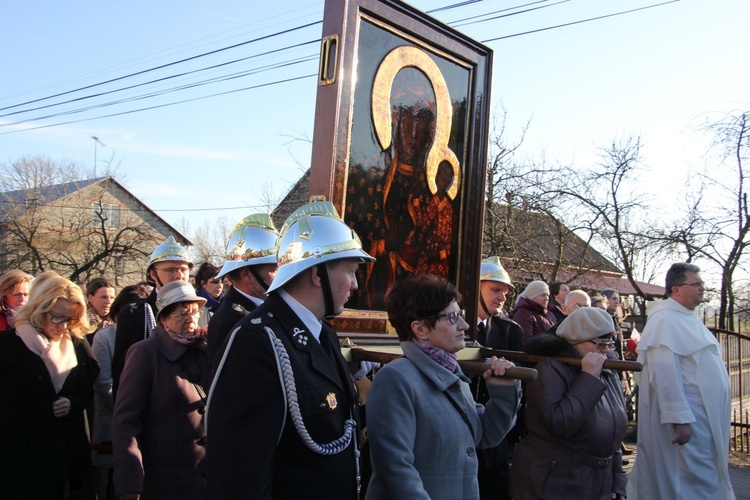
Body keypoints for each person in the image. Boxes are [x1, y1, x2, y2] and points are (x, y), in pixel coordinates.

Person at [206, 200, 374, 499]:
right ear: (317, 274)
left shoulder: (323, 334)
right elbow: (240, 474)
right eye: (349, 271)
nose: (354, 285)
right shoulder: (256, 342)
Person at [365, 273, 520, 499]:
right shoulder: (396, 379)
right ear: (420, 329)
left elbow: (484, 435)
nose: (465, 325)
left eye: (461, 315)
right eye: (453, 317)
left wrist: (504, 392)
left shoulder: (451, 372)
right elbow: (395, 468)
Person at [628, 263, 735, 499]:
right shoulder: (666, 320)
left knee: (704, 478)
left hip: (703, 417)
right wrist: (679, 419)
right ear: (676, 290)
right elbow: (665, 373)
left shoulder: (686, 317)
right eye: (695, 284)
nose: (701, 288)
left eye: (701, 283)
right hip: (689, 420)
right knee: (689, 482)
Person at [509, 307, 628, 499]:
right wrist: (589, 378)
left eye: (609, 343)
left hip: (597, 483)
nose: (605, 349)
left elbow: (612, 439)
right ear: (577, 340)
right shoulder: (550, 368)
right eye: (599, 343)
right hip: (556, 482)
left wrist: (618, 485)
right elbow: (561, 423)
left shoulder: (607, 369)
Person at [0, 276, 99, 498]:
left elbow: (88, 385)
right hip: (20, 456)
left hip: (68, 456)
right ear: (39, 309)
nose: (63, 326)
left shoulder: (76, 343)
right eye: (56, 317)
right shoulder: (7, 345)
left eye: (70, 319)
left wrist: (73, 402)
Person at [112, 280, 209, 499]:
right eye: (182, 313)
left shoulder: (206, 349)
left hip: (208, 480)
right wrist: (130, 483)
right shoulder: (145, 353)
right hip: (166, 481)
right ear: (163, 317)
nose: (191, 319)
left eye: (195, 312)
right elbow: (126, 423)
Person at [91, 282, 151, 500]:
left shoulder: (151, 334)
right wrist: (127, 409)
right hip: (112, 418)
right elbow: (103, 382)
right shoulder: (105, 337)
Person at [111, 235, 192, 398]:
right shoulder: (136, 313)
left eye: (183, 269)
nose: (178, 276)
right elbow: (123, 371)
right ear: (152, 274)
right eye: (170, 270)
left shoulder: (201, 311)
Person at [473, 256, 524, 500]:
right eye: (495, 289)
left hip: (496, 445)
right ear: (475, 287)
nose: (503, 297)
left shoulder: (510, 330)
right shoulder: (451, 327)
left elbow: (518, 388)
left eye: (504, 291)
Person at [207, 213, 279, 367]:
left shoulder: (252, 310)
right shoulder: (234, 320)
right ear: (246, 274)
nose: (280, 277)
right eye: (274, 270)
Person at [86, 276, 116, 341]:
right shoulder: (80, 322)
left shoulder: (118, 321)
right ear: (90, 298)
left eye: (112, 298)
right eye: (104, 297)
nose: (108, 302)